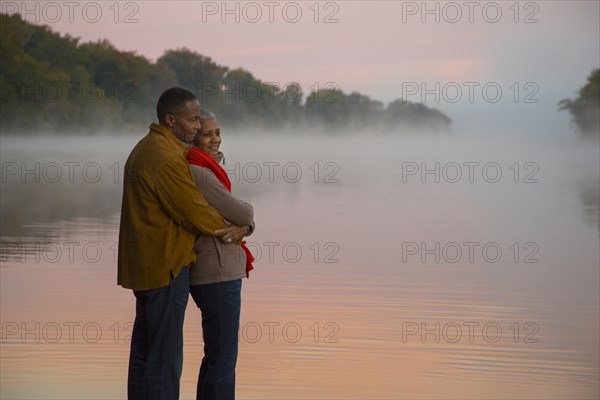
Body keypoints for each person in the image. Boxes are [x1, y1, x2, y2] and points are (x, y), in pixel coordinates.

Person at [118, 88, 238, 400]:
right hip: (166, 267)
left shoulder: (149, 148)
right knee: (164, 360)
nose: (199, 126)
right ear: (171, 120)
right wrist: (234, 229)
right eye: (194, 119)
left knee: (145, 354)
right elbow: (194, 211)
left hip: (146, 268)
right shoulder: (164, 157)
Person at [186, 109, 255, 400]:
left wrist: (245, 226)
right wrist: (248, 218)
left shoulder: (208, 167)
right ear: (193, 137)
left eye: (217, 133)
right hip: (217, 274)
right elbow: (240, 211)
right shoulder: (200, 172)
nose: (215, 139)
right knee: (223, 359)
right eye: (207, 134)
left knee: (216, 356)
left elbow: (239, 219)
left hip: (216, 270)